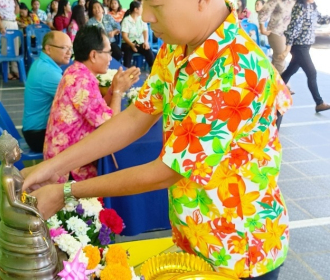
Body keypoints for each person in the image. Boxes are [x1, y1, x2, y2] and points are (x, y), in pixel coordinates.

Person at [22, 1, 292, 279]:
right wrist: (52, 167)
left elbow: (167, 170)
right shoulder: (178, 46)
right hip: (195, 236)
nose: (147, 16)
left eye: (158, 5)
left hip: (239, 251)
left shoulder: (237, 68)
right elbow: (136, 117)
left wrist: (66, 192)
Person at [43, 25, 140, 183]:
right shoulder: (81, 81)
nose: (111, 57)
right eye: (108, 52)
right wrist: (118, 93)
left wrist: (113, 89)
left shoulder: (77, 71)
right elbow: (111, 129)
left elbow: (98, 108)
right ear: (94, 55)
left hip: (63, 157)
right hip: (67, 169)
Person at [0, 131, 59, 279]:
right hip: (9, 210)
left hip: (18, 204)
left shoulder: (13, 169)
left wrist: (30, 201)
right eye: (16, 149)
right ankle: (38, 263)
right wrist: (31, 208)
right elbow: (13, 201)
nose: (20, 151)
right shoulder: (6, 175)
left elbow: (20, 195)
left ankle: (46, 258)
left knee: (39, 211)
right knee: (35, 222)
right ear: (6, 155)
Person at [22, 31, 73, 153]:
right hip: (38, 135)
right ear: (48, 49)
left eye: (71, 48)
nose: (69, 53)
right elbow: (75, 100)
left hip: (34, 129)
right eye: (64, 48)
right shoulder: (47, 73)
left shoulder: (42, 64)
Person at [280, 0, 330, 113]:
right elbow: (292, 28)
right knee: (311, 72)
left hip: (306, 45)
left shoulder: (312, 5)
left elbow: (321, 19)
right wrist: (288, 47)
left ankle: (273, 90)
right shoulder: (299, 7)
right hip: (299, 46)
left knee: (290, 71)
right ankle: (319, 103)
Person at [257, 0, 296, 74]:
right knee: (280, 59)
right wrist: (262, 29)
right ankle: (279, 83)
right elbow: (263, 11)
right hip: (276, 31)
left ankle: (269, 82)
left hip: (288, 33)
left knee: (276, 61)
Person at [121, 1, 154, 69]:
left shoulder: (141, 19)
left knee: (147, 49)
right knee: (128, 50)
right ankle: (126, 70)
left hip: (139, 42)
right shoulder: (126, 20)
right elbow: (124, 36)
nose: (142, 10)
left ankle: (154, 70)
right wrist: (132, 45)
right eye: (141, 8)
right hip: (128, 43)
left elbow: (145, 31)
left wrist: (145, 41)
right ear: (136, 9)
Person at [0, 0, 20, 80]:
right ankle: (6, 71)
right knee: (5, 49)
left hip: (14, 23)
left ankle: (14, 69)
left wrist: (17, 2)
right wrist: (1, 26)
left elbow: (16, 12)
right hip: (5, 24)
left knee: (15, 48)